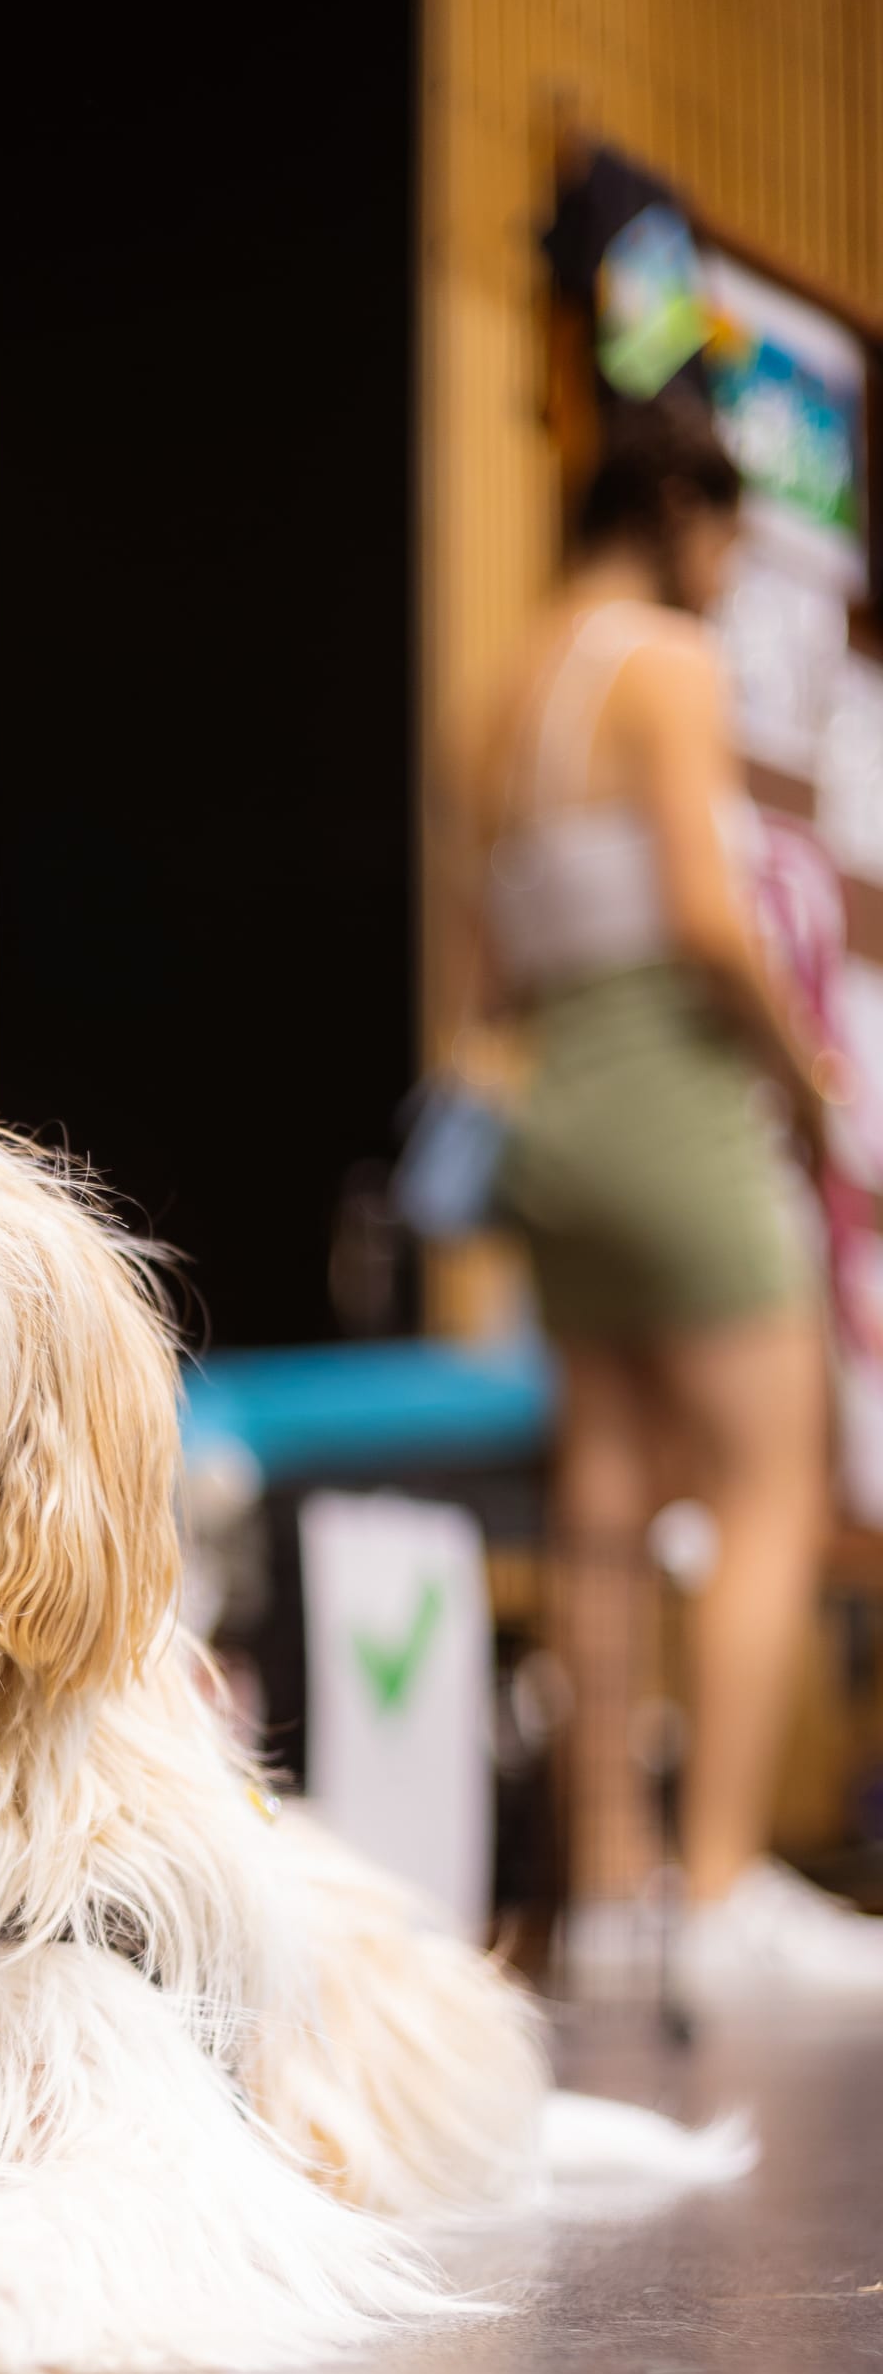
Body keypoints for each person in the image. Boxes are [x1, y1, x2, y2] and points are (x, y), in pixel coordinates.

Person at [471, 393, 883, 1997]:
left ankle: (613, 1893)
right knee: (774, 1478)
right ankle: (717, 1894)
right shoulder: (662, 661)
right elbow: (713, 926)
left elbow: (487, 972)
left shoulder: (493, 701)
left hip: (554, 1111)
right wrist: (810, 1076)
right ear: (683, 520)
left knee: (604, 1495)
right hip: (670, 1093)